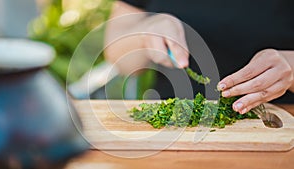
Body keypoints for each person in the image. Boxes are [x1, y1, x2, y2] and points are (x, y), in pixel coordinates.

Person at [104, 0, 294, 114]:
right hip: (174, 125)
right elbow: (119, 57)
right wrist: (144, 33)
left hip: (276, 121)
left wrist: (290, 66)